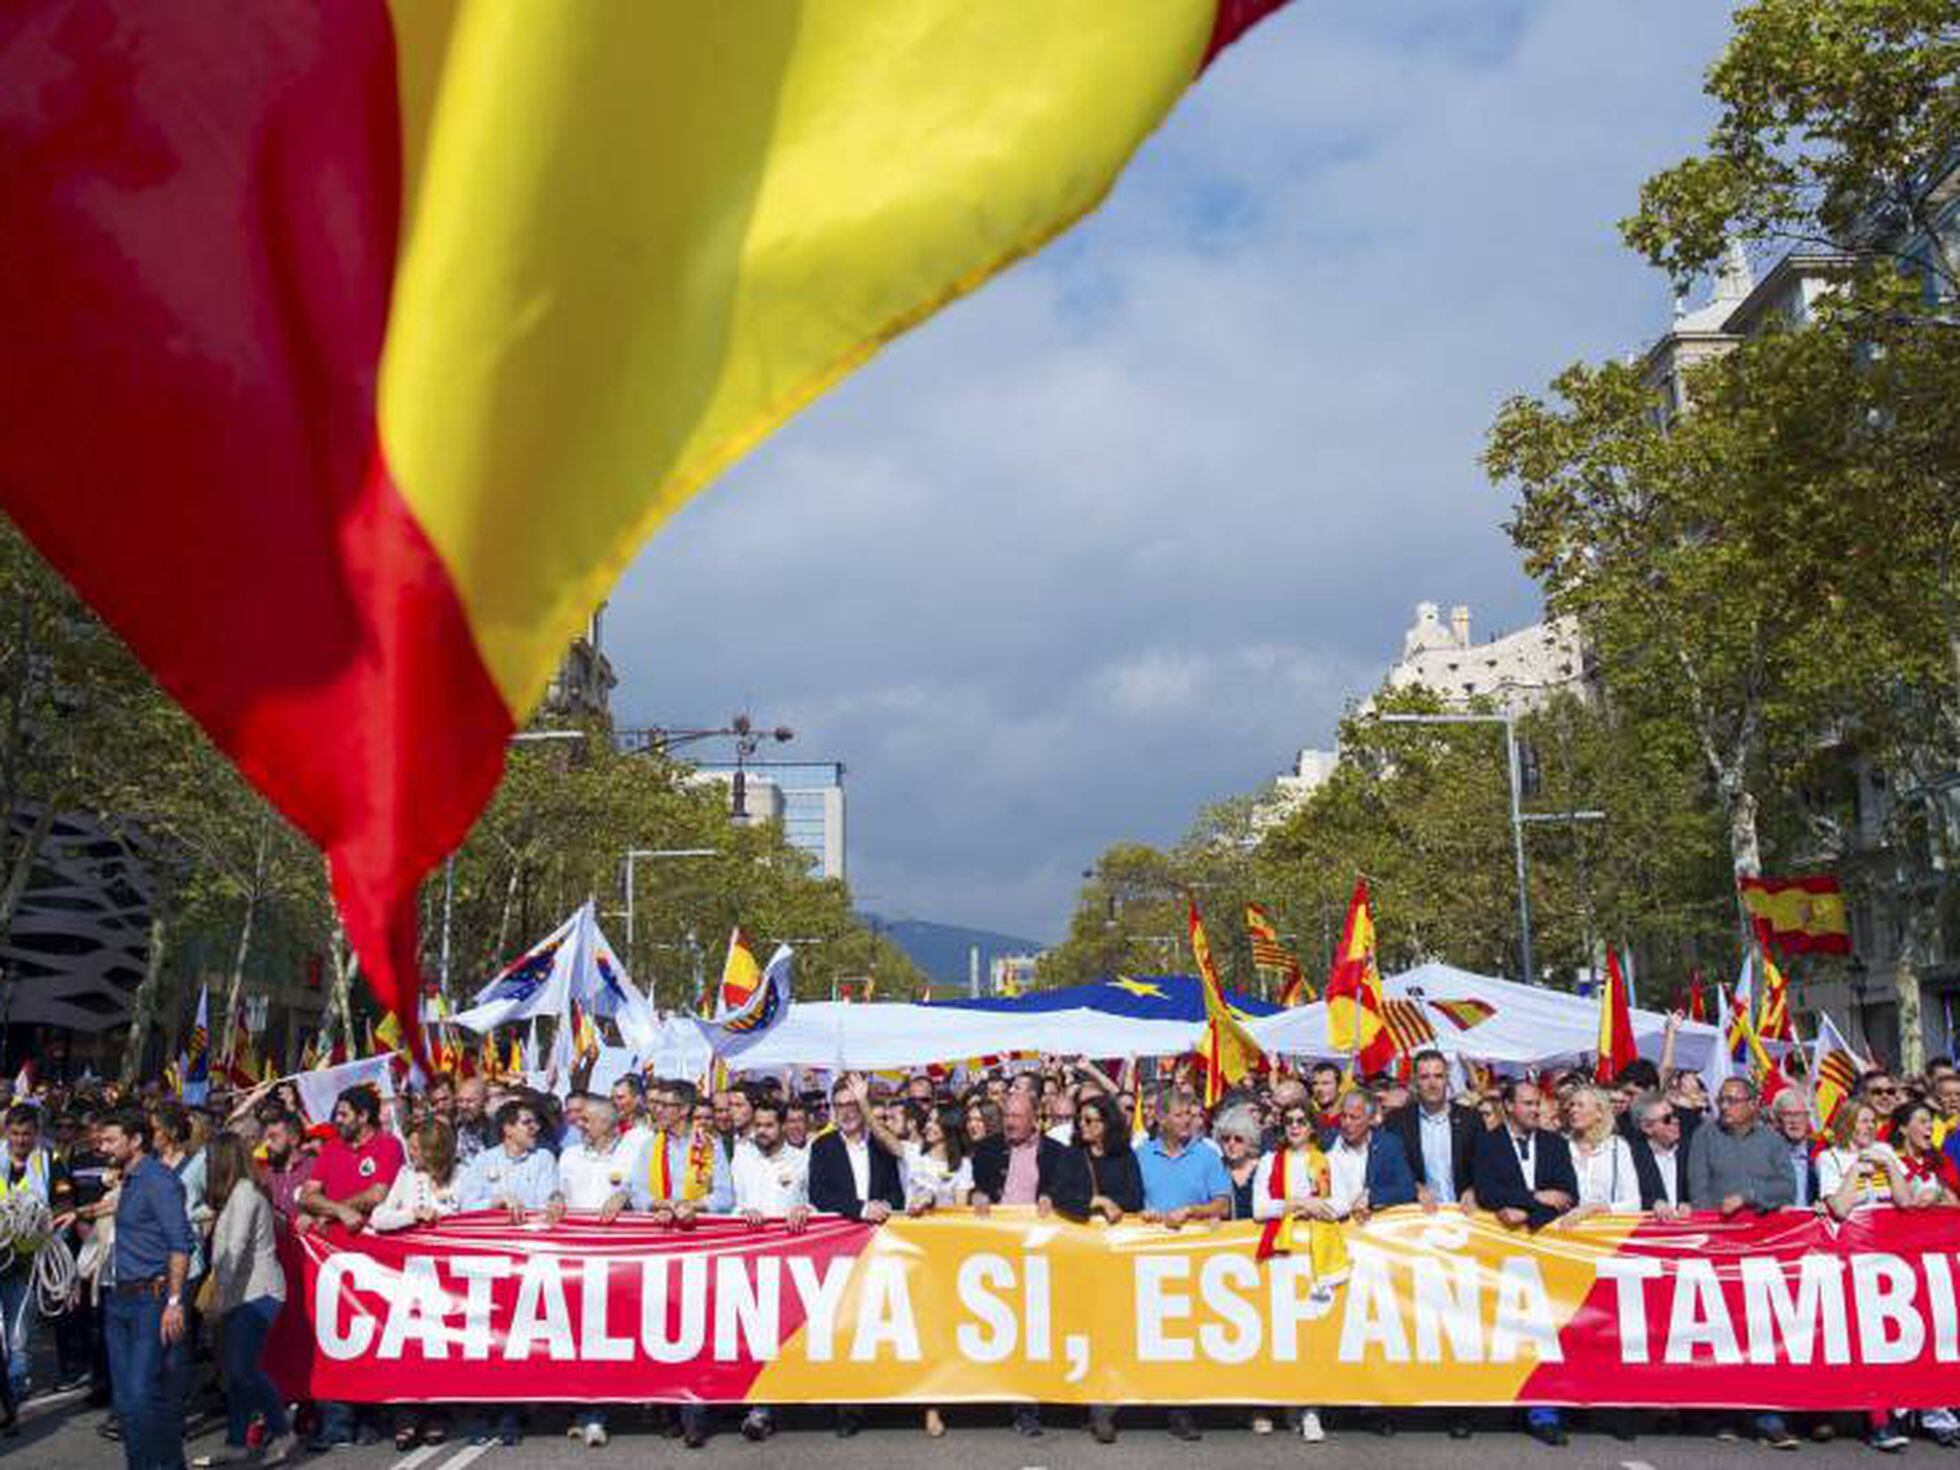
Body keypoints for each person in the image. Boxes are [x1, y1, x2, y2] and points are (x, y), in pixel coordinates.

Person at [1687, 1078, 1798, 1450]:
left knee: (1763, 1333)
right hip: (1719, 1247)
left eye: (1734, 1100)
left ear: (1753, 1103)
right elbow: (1698, 1190)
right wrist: (1710, 1235)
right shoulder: (1705, 1136)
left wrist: (1750, 1196)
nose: (1726, 1107)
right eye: (1722, 1100)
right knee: (1722, 1333)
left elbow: (1787, 1188)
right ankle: (1725, 1412)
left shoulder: (1772, 1140)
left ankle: (1768, 1415)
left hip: (1764, 1248)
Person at [296, 1085, 406, 1450]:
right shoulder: (331, 1148)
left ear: (363, 1116)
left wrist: (332, 1208)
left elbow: (378, 1194)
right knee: (332, 1337)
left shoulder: (388, 1146)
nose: (336, 1121)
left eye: (343, 1114)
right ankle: (336, 1423)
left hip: (376, 1260)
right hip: (331, 1261)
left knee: (372, 1337)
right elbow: (308, 1194)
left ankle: (371, 1419)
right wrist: (341, 1212)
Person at [1470, 1079, 1576, 1447]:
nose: (1535, 1109)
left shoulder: (1554, 1144)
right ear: (1510, 1106)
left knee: (1545, 1334)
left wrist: (1526, 1207)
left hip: (1544, 1249)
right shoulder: (1487, 1142)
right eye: (1528, 1103)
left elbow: (1566, 1194)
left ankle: (1544, 1412)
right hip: (1498, 1254)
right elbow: (1487, 1190)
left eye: (1537, 1103)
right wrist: (1534, 1196)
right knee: (1495, 1333)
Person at [807, 1075, 905, 1441]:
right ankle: (846, 1405)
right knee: (844, 1324)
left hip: (880, 1243)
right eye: (841, 1106)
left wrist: (887, 1208)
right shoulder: (824, 1146)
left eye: (853, 1105)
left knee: (878, 1321)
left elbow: (896, 1190)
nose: (847, 1113)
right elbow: (820, 1192)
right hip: (840, 1245)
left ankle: (880, 1393)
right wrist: (861, 1208)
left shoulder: (879, 1146)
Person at [1135, 1087, 1229, 1443]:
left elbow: (1222, 1204)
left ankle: (1182, 1408)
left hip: (1195, 1260)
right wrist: (1142, 1214)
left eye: (1190, 1114)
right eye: (1179, 1114)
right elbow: (1132, 1202)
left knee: (1186, 1336)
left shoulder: (1206, 1156)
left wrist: (1192, 1210)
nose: (1187, 1120)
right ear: (1160, 1119)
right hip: (1149, 1259)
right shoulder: (1141, 1155)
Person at [100, 1109, 192, 1470]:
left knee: (141, 1396)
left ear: (135, 1141)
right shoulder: (131, 1178)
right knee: (128, 1402)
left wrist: (174, 1301)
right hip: (120, 1299)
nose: (103, 1146)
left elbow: (179, 1244)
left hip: (150, 1301)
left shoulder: (159, 1180)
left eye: (111, 1140)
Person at [200, 1134, 294, 1467]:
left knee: (244, 1369)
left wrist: (218, 1296)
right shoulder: (237, 1195)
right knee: (236, 1372)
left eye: (211, 1159)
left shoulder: (244, 1195)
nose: (208, 1165)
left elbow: (235, 1250)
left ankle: (282, 1431)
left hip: (257, 1293)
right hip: (242, 1294)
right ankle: (237, 1441)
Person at [368, 1120, 461, 1452]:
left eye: (417, 1146)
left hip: (450, 1281)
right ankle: (406, 1417)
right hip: (410, 1276)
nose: (411, 1151)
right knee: (408, 1346)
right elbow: (378, 1217)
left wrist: (440, 1212)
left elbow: (473, 1214)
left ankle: (437, 1414)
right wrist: (411, 1214)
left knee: (439, 1346)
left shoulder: (460, 1175)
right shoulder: (407, 1177)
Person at [1249, 1100, 1333, 1444]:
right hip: (1281, 1256)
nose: (1295, 1127)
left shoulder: (1327, 1160)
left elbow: (1337, 1201)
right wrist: (1301, 1204)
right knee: (1281, 1332)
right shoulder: (1271, 1160)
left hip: (1316, 1254)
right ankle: (1284, 1402)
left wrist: (1319, 1207)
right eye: (1288, 1122)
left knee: (1314, 1332)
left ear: (1312, 1126)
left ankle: (1311, 1409)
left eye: (1301, 1121)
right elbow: (1259, 1208)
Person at [728, 1098, 810, 1443]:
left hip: (791, 1259)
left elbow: (816, 1202)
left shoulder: (803, 1159)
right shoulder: (742, 1159)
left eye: (768, 1126)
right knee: (751, 1334)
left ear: (782, 1126)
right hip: (747, 1258)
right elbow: (730, 1203)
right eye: (757, 1126)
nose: (761, 1132)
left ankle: (787, 1398)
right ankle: (758, 1409)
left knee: (785, 1334)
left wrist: (806, 1209)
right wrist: (743, 1211)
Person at [0, 1103, 72, 1406]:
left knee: (18, 1334)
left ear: (36, 1134)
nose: (20, 1140)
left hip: (27, 1265)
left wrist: (43, 1226)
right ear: (6, 1133)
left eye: (26, 1134)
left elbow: (65, 1206)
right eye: (15, 1134)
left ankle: (14, 1394)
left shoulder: (49, 1160)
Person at [1385, 1049, 1479, 1211]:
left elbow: (1485, 1166)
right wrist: (1414, 1186)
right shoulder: (1397, 1122)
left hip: (1463, 1214)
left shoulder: (1471, 1119)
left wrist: (1474, 1189)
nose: (1432, 1084)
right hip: (1420, 1215)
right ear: (1415, 1081)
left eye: (1438, 1076)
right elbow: (1389, 1168)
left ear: (1447, 1079)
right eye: (1424, 1077)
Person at [968, 1089, 1067, 1217]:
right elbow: (976, 1185)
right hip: (995, 1224)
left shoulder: (1055, 1152)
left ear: (1033, 1118)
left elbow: (1065, 1190)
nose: (1010, 1123)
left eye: (1016, 1116)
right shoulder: (987, 1148)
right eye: (1006, 1116)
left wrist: (1049, 1197)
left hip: (1035, 1227)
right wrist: (978, 1195)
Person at [1322, 1090, 1417, 1220]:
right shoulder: (1326, 1143)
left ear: (1371, 1120)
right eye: (1343, 1116)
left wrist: (1371, 1197)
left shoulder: (1388, 1145)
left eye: (1354, 1117)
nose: (1347, 1123)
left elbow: (1407, 1189)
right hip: (1330, 1223)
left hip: (1369, 1225)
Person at [1559, 1085, 1640, 1222]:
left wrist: (1596, 1208)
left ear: (1599, 1113)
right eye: (1572, 1105)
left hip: (1604, 1233)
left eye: (1580, 1105)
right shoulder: (1560, 1145)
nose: (1573, 1110)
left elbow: (1634, 1204)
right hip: (1562, 1232)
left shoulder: (1617, 1147)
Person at [1627, 1092, 1691, 1218]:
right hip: (1649, 1231)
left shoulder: (1690, 1150)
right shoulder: (1631, 1157)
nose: (1676, 1121)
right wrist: (1652, 1204)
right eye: (1667, 1119)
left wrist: (1691, 1204)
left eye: (1675, 1115)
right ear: (1647, 1127)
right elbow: (1628, 1198)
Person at [254, 1111, 312, 1225]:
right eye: (265, 1138)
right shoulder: (264, 1173)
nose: (267, 1144)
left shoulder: (316, 1169)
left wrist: (314, 1217)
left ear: (294, 1139)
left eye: (273, 1137)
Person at [1767, 1090, 1820, 1209]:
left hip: (1812, 1224)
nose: (1795, 1121)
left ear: (1807, 1119)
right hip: (1777, 1223)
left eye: (1800, 1114)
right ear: (1776, 1120)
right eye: (1788, 1114)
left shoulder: (1820, 1151)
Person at [1212, 1103, 1263, 1220]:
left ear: (1250, 1141)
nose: (1231, 1144)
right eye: (1226, 1139)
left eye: (1238, 1139)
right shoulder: (1216, 1169)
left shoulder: (1264, 1168)